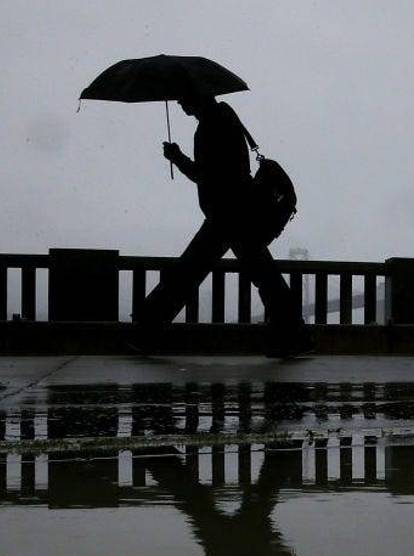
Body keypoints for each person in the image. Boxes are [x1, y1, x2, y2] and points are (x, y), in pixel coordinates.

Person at [131, 92, 313, 358]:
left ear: (198, 98)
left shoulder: (211, 126)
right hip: (238, 212)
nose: (181, 103)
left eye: (184, 98)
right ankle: (294, 335)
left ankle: (147, 329)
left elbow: (208, 176)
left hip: (226, 214)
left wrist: (177, 157)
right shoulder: (226, 119)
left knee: (188, 272)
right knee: (263, 276)